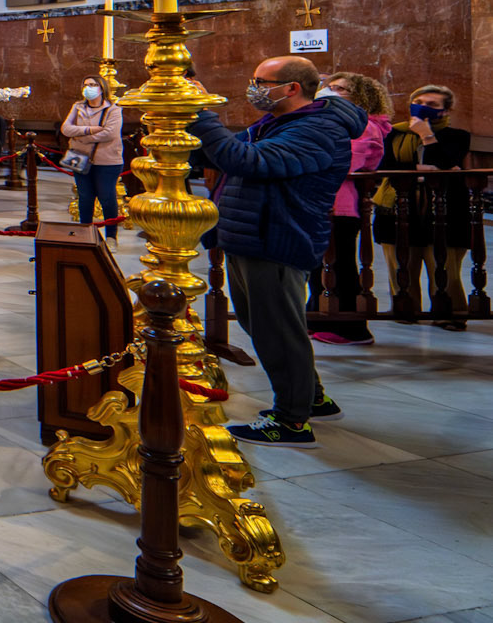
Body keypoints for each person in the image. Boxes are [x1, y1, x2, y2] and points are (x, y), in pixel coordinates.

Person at [191, 56, 361, 444]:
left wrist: (202, 116)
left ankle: (291, 420)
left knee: (279, 332)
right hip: (253, 234)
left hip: (278, 238)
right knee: (266, 327)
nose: (253, 87)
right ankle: (312, 399)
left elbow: (249, 161)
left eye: (260, 81)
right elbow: (234, 150)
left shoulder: (318, 129)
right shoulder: (280, 122)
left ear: (291, 88)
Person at [373, 83, 472, 329]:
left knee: (444, 265)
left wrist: (427, 136)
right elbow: (384, 166)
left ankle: (449, 313)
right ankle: (406, 309)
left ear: (445, 111)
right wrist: (417, 169)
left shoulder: (457, 136)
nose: (423, 107)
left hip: (444, 210)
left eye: (432, 105)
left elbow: (446, 164)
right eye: (420, 102)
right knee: (401, 265)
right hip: (398, 207)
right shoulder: (394, 133)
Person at [308, 71, 390, 344]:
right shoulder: (329, 121)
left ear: (360, 96)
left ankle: (351, 327)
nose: (331, 91)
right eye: (329, 86)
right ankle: (317, 315)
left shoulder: (363, 125)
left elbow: (346, 161)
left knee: (341, 265)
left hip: (341, 205)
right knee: (316, 266)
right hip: (319, 201)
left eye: (340, 88)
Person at [60, 76, 124, 237]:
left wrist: (80, 136)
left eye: (93, 85)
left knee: (107, 197)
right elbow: (66, 129)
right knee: (85, 197)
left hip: (107, 161)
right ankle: (85, 234)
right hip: (80, 158)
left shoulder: (113, 109)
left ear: (101, 88)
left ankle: (111, 236)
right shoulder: (78, 106)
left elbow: (110, 133)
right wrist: (90, 130)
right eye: (86, 85)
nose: (88, 87)